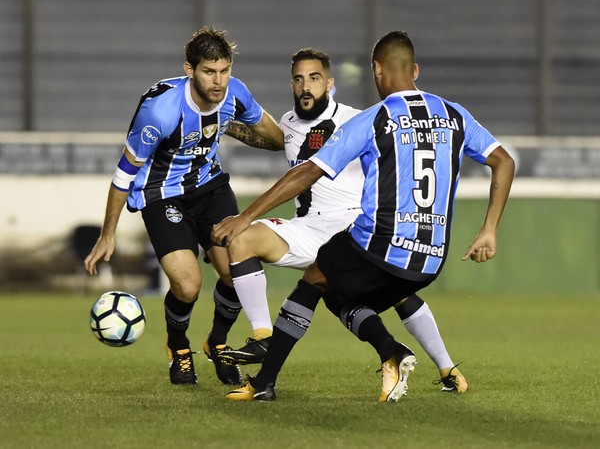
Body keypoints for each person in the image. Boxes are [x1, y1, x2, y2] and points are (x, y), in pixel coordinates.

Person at [212, 30, 515, 402]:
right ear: (415, 71)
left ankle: (272, 380)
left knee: (316, 279)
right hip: (431, 259)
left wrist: (244, 217)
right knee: (342, 294)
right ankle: (428, 361)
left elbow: (306, 172)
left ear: (376, 70)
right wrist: (489, 230)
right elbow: (504, 161)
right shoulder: (455, 115)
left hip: (381, 243)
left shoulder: (374, 119)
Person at [84, 26, 284, 387]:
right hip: (162, 196)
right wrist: (107, 233)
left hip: (210, 188)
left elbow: (275, 138)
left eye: (224, 71)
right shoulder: (160, 111)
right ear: (190, 69)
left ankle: (217, 343)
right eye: (209, 71)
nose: (218, 80)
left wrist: (304, 142)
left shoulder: (235, 95)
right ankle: (178, 346)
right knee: (189, 286)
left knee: (236, 274)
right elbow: (123, 174)